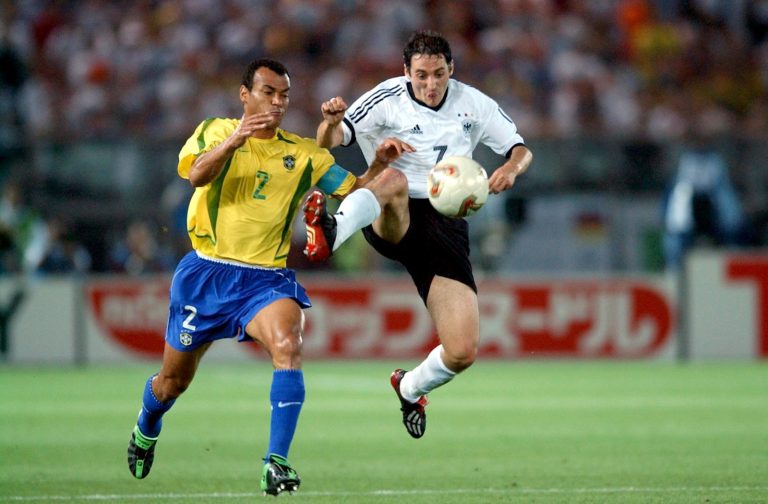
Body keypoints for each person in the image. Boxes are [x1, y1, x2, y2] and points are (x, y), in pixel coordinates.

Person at [126, 57, 405, 496]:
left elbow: (355, 193)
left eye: (284, 95)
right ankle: (147, 424)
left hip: (265, 279)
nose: (277, 102)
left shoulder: (305, 154)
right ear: (245, 95)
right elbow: (197, 175)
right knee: (172, 382)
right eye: (268, 92)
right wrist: (237, 138)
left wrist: (377, 167)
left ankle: (276, 462)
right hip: (207, 272)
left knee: (288, 344)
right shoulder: (215, 130)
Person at [307, 30, 533, 439]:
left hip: (445, 224)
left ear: (451, 69)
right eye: (422, 75)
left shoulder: (473, 103)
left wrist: (511, 168)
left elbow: (519, 148)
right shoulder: (385, 98)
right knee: (392, 178)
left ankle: (410, 387)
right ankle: (331, 232)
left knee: (462, 351)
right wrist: (331, 123)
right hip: (391, 211)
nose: (431, 84)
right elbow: (329, 141)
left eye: (439, 74)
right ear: (406, 72)